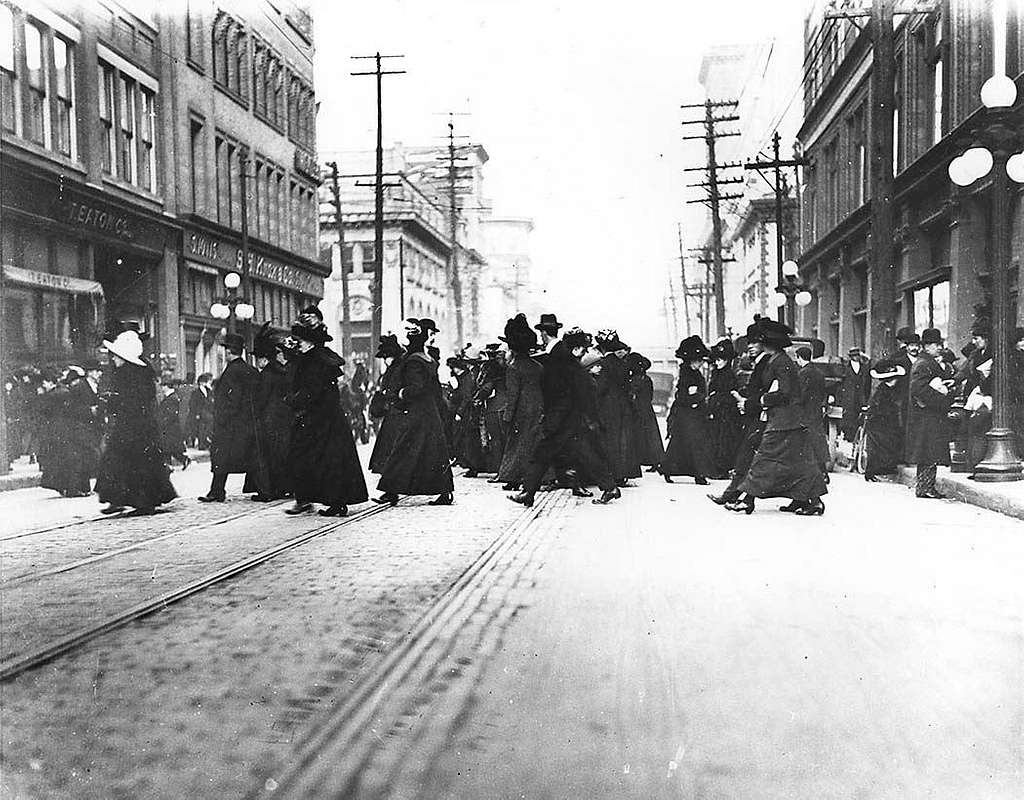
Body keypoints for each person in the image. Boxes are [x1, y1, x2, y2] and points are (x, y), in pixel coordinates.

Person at [727, 318, 827, 516]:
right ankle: (810, 501)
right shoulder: (776, 360)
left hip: (785, 420)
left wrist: (758, 401)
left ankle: (748, 500)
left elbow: (784, 392)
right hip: (787, 420)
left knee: (764, 457)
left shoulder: (780, 362)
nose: (756, 344)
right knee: (799, 464)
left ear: (768, 343)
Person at [510, 327, 619, 507]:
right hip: (565, 418)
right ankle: (609, 487)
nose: (584, 352)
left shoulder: (564, 360)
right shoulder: (569, 362)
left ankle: (527, 493)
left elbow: (568, 390)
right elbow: (582, 391)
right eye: (583, 348)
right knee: (583, 453)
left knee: (543, 453)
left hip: (562, 418)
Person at [283, 315, 368, 516]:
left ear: (310, 342)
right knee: (324, 460)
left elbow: (311, 391)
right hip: (325, 418)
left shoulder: (316, 361)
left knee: (325, 461)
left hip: (321, 420)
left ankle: (334, 502)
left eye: (301, 342)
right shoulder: (318, 357)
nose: (299, 345)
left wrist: (292, 400)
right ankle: (318, 500)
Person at [94, 331, 177, 515]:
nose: (113, 358)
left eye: (116, 355)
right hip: (129, 426)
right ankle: (117, 498)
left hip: (138, 428)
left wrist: (113, 401)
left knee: (135, 463)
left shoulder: (136, 374)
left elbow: (136, 401)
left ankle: (142, 501)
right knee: (119, 462)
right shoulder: (126, 372)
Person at [374, 318, 455, 506]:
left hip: (416, 412)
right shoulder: (428, 359)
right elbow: (434, 389)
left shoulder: (413, 361)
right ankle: (445, 492)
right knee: (434, 452)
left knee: (402, 449)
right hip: (430, 412)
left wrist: (402, 393)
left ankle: (391, 491)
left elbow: (416, 388)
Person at [708, 324, 770, 506]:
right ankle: (737, 495)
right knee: (747, 457)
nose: (750, 346)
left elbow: (769, 392)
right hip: (756, 415)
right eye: (749, 342)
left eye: (755, 342)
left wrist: (745, 402)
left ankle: (811, 499)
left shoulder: (768, 363)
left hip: (766, 417)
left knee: (756, 457)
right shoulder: (759, 363)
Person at [199, 333, 257, 502]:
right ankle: (218, 490)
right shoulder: (249, 370)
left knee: (221, 457)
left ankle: (216, 491)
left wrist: (222, 419)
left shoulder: (232, 371)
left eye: (225, 349)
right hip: (245, 423)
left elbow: (232, 399)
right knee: (249, 457)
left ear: (229, 352)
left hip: (229, 424)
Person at [245, 323, 294, 501]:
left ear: (264, 359)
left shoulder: (266, 374)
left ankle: (267, 491)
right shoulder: (282, 372)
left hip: (268, 421)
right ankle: (282, 488)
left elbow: (261, 399)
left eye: (258, 358)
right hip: (283, 420)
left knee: (265, 456)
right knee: (280, 455)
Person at [497, 314, 544, 492]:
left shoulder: (513, 368)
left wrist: (508, 416)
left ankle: (513, 478)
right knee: (532, 443)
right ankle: (535, 477)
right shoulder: (538, 366)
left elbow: (513, 395)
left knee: (516, 444)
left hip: (521, 411)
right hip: (537, 407)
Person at [662, 335, 714, 485]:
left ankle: (669, 469)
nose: (700, 363)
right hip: (688, 413)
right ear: (691, 360)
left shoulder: (690, 372)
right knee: (694, 443)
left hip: (690, 413)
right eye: (698, 361)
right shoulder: (688, 373)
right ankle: (698, 474)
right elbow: (684, 395)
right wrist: (697, 399)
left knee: (681, 443)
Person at [592, 329, 641, 486]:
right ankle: (622, 474)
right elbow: (627, 385)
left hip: (608, 405)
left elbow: (601, 388)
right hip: (623, 405)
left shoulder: (603, 364)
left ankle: (611, 473)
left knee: (609, 440)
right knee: (623, 439)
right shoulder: (623, 364)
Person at [908, 328, 952, 499]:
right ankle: (925, 488)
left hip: (929, 415)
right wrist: (942, 397)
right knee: (928, 451)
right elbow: (918, 389)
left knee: (929, 451)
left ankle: (926, 487)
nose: (939, 347)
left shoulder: (925, 362)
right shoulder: (924, 364)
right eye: (935, 344)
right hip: (927, 415)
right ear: (926, 346)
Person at [863, 359, 907, 481]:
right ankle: (870, 473)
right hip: (878, 423)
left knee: (885, 445)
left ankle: (882, 469)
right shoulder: (883, 391)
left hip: (885, 422)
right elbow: (879, 407)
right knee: (875, 448)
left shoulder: (889, 390)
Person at [368, 334, 406, 474]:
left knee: (392, 449)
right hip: (391, 413)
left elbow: (395, 389)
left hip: (396, 413)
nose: (385, 360)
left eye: (386, 357)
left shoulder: (398, 368)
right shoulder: (391, 369)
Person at [707, 339, 743, 478]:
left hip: (727, 412)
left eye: (721, 359)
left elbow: (730, 392)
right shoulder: (716, 373)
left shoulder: (730, 375)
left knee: (725, 439)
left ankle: (723, 468)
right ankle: (715, 467)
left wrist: (718, 397)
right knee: (715, 437)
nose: (718, 362)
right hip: (717, 410)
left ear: (727, 360)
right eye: (716, 360)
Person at [625, 351, 665, 472]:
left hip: (638, 411)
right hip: (647, 410)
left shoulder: (635, 380)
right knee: (651, 436)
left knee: (641, 436)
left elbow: (632, 395)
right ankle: (656, 461)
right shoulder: (646, 378)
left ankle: (650, 461)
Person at [795, 346, 829, 479]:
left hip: (804, 412)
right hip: (816, 411)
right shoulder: (819, 372)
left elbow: (801, 395)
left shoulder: (802, 373)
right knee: (817, 440)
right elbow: (822, 393)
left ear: (799, 358)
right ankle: (823, 472)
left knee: (805, 441)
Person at [893, 327, 921, 463]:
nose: (914, 348)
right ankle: (902, 456)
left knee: (916, 428)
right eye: (911, 346)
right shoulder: (900, 360)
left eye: (916, 346)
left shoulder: (921, 361)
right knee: (902, 427)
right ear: (907, 347)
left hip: (918, 399)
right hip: (903, 399)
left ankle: (913, 456)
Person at [840, 346, 871, 441]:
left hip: (861, 398)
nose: (856, 357)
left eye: (857, 355)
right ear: (850, 357)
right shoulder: (845, 368)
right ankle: (849, 440)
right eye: (854, 355)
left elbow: (868, 385)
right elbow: (840, 384)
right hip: (849, 399)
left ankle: (857, 442)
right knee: (849, 421)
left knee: (860, 420)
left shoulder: (865, 368)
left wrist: (866, 398)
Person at [157, 378, 190, 470]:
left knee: (167, 448)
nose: (162, 388)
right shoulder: (171, 397)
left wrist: (162, 423)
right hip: (170, 427)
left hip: (169, 428)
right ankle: (182, 461)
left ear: (167, 386)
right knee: (169, 449)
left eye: (163, 386)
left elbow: (170, 414)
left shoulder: (171, 398)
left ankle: (169, 466)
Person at [189, 373, 214, 449]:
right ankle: (202, 444)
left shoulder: (209, 390)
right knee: (201, 429)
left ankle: (206, 442)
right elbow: (193, 404)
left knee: (207, 427)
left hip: (208, 411)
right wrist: (196, 413)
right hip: (200, 412)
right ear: (200, 382)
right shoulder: (196, 392)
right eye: (204, 382)